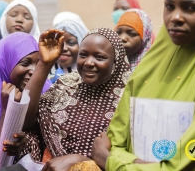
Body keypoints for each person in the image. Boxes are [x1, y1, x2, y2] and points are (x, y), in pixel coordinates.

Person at [92, 0, 195, 170]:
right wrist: (144, 165)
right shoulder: (149, 67)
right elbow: (114, 141)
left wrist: (114, 163)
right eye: (169, 6)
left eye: (191, 7)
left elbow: (181, 165)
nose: (176, 17)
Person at [21, 27, 131, 171]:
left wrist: (81, 162)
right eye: (83, 55)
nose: (89, 62)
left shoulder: (128, 98)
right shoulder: (66, 85)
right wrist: (44, 64)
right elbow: (26, 119)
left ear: (116, 62)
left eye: (99, 57)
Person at [0, 32, 52, 171]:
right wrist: (7, 111)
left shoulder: (48, 91)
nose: (33, 71)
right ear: (4, 64)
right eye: (25, 63)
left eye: (38, 63)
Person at [49, 13, 88, 83]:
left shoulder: (90, 74)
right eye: (58, 43)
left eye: (71, 43)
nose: (64, 48)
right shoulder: (44, 73)